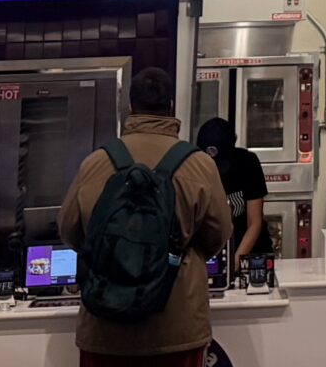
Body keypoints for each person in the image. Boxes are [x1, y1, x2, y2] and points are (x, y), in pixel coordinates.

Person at [59, 67, 230, 367]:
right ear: (171, 107)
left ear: (131, 106)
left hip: (106, 327)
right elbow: (218, 233)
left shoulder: (96, 162)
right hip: (176, 327)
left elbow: (69, 229)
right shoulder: (200, 165)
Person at [192, 119, 268, 272]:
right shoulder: (193, 168)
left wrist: (234, 263)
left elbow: (254, 222)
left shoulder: (247, 163)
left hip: (249, 251)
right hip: (211, 252)